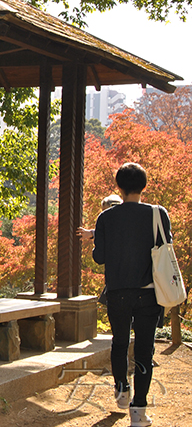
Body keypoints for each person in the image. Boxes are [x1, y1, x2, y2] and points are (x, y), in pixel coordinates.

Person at [92, 162, 170, 427]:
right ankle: (138, 412)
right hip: (148, 293)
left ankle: (121, 388)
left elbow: (99, 258)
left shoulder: (106, 218)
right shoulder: (158, 214)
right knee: (145, 351)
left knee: (120, 342)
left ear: (119, 187)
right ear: (143, 185)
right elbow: (164, 249)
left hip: (117, 292)